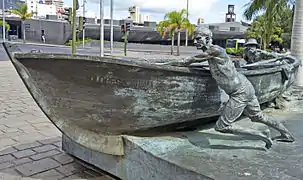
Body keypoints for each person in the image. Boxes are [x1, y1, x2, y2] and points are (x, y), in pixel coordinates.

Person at [165, 26, 295, 149]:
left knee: (222, 127)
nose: (195, 41)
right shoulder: (213, 53)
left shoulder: (214, 50)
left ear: (208, 39)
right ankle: (287, 135)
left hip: (239, 92)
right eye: (195, 38)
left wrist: (163, 64)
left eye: (198, 38)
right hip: (245, 86)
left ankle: (261, 135)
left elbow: (187, 61)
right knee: (258, 116)